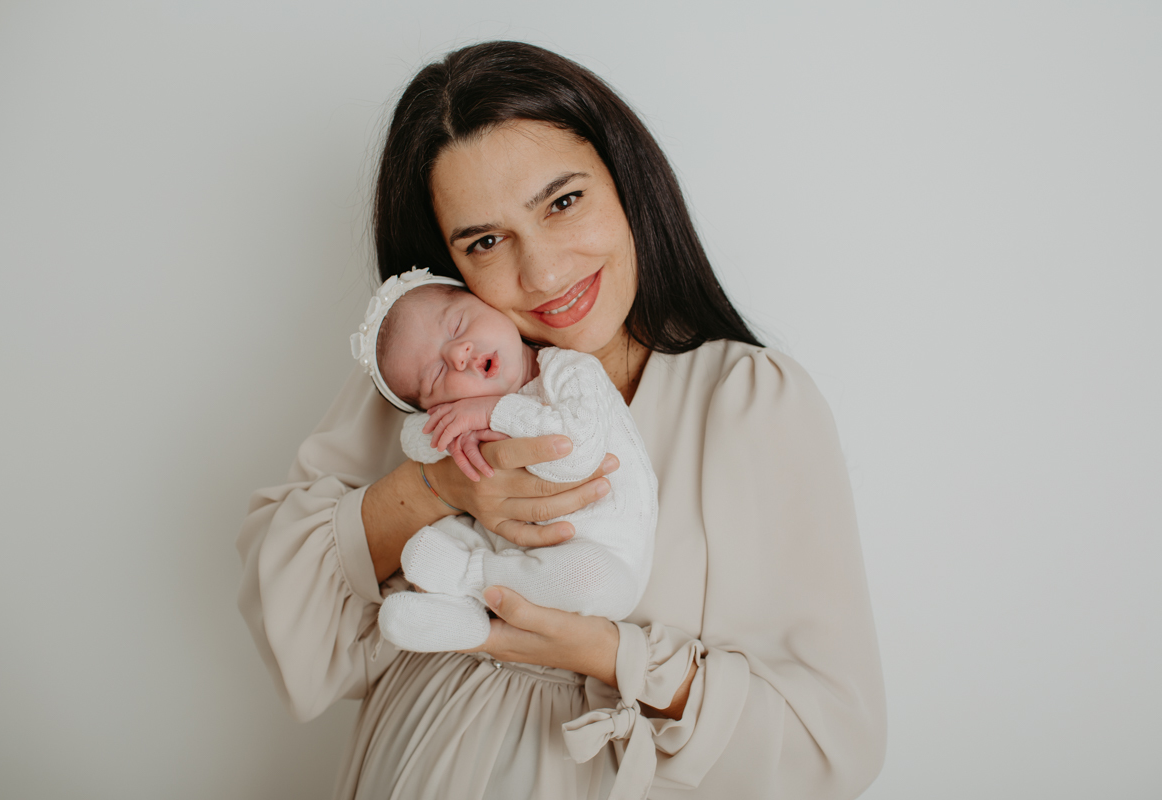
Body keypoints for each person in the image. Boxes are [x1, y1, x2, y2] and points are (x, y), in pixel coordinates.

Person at [237, 40, 886, 800]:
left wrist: (609, 653)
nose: (543, 273)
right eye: (485, 240)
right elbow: (291, 614)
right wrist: (437, 489)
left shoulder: (749, 401)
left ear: (627, 183)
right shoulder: (435, 375)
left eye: (563, 201)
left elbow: (827, 740)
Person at [349, 269, 657, 653]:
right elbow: (416, 441)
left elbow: (573, 454)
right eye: (436, 374)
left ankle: (472, 581)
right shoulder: (460, 415)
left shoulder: (569, 370)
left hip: (603, 556)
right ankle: (466, 623)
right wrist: (446, 425)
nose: (458, 353)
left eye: (458, 323)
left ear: (487, 305)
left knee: (589, 579)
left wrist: (494, 411)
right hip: (511, 548)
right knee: (423, 550)